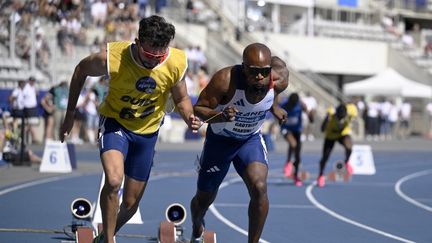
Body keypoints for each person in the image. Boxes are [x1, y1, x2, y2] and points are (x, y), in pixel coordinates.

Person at [59, 15, 201, 243]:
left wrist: (189, 117)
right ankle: (109, 240)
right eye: (148, 55)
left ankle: (105, 234)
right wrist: (69, 115)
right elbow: (80, 71)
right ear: (137, 42)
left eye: (160, 55)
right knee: (114, 181)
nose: (154, 61)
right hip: (116, 124)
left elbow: (182, 98)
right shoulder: (113, 57)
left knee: (131, 205)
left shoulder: (175, 62)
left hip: (147, 133)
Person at [189, 43, 289, 243]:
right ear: (244, 68)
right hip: (220, 142)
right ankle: (197, 225)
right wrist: (220, 115)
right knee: (204, 199)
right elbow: (198, 109)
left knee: (259, 187)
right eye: (253, 72)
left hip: (249, 139)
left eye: (264, 72)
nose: (259, 77)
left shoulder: (278, 79)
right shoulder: (225, 80)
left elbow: (271, 94)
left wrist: (274, 108)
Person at [316, 103, 358, 188]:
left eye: (342, 118)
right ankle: (320, 175)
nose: (340, 120)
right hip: (330, 136)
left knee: (349, 147)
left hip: (342, 134)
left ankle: (346, 162)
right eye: (339, 118)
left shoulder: (352, 110)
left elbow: (354, 112)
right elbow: (322, 129)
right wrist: (326, 120)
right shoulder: (331, 114)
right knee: (325, 157)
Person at [280, 92, 312, 186]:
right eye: (291, 103)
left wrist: (309, 112)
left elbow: (310, 117)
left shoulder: (300, 105)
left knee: (298, 156)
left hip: (297, 131)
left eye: (294, 104)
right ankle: (288, 162)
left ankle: (296, 177)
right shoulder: (284, 105)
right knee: (293, 144)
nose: (293, 105)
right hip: (286, 129)